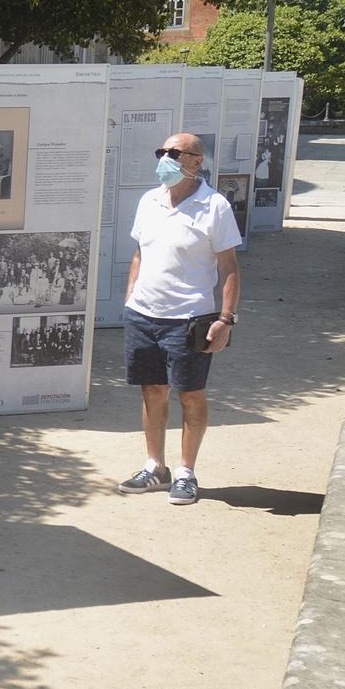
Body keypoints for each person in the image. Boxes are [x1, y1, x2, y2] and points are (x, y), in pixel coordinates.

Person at [115, 133, 240, 506]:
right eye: (161, 152)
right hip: (144, 314)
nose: (164, 159)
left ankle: (186, 473)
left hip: (189, 318)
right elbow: (140, 251)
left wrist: (226, 318)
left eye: (174, 153)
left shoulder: (214, 205)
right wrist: (131, 293)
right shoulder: (149, 200)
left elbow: (229, 266)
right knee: (152, 390)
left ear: (196, 161)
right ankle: (155, 467)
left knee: (190, 395)